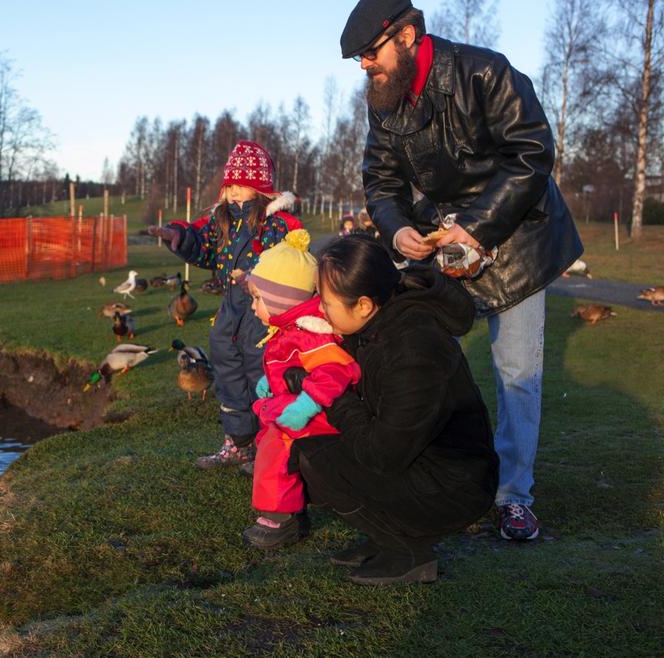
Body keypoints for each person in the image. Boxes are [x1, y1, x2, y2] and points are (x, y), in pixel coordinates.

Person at [340, 0, 583, 540]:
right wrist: (397, 227)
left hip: (518, 238)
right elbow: (380, 183)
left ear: (406, 36)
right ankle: (442, 474)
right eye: (356, 58)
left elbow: (532, 154)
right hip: (441, 243)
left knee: (518, 373)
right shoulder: (384, 100)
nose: (363, 66)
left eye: (368, 53)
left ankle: (514, 495)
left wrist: (476, 228)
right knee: (418, 356)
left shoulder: (485, 71)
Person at [296, 234, 499, 585]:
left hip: (454, 484)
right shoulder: (378, 324)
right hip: (423, 462)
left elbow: (382, 454)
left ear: (362, 304)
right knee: (305, 450)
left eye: (326, 302)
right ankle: (384, 538)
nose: (319, 309)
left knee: (319, 461)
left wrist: (328, 393)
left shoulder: (413, 349)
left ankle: (407, 551)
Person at [148, 141, 301, 469]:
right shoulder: (221, 222)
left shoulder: (280, 225)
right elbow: (201, 244)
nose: (233, 193)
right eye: (229, 185)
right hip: (229, 312)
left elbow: (295, 264)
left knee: (261, 376)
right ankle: (237, 443)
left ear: (260, 189)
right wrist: (178, 236)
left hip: (263, 316)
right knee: (229, 376)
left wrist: (259, 279)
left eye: (241, 186)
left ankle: (268, 446)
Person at [241, 229, 361, 550]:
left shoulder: (309, 333)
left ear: (281, 300)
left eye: (257, 298)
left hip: (315, 415)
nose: (253, 307)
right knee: (268, 441)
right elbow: (290, 366)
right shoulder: (288, 329)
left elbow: (335, 371)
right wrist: (272, 382)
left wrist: (304, 407)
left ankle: (280, 520)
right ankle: (287, 507)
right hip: (292, 404)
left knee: (278, 450)